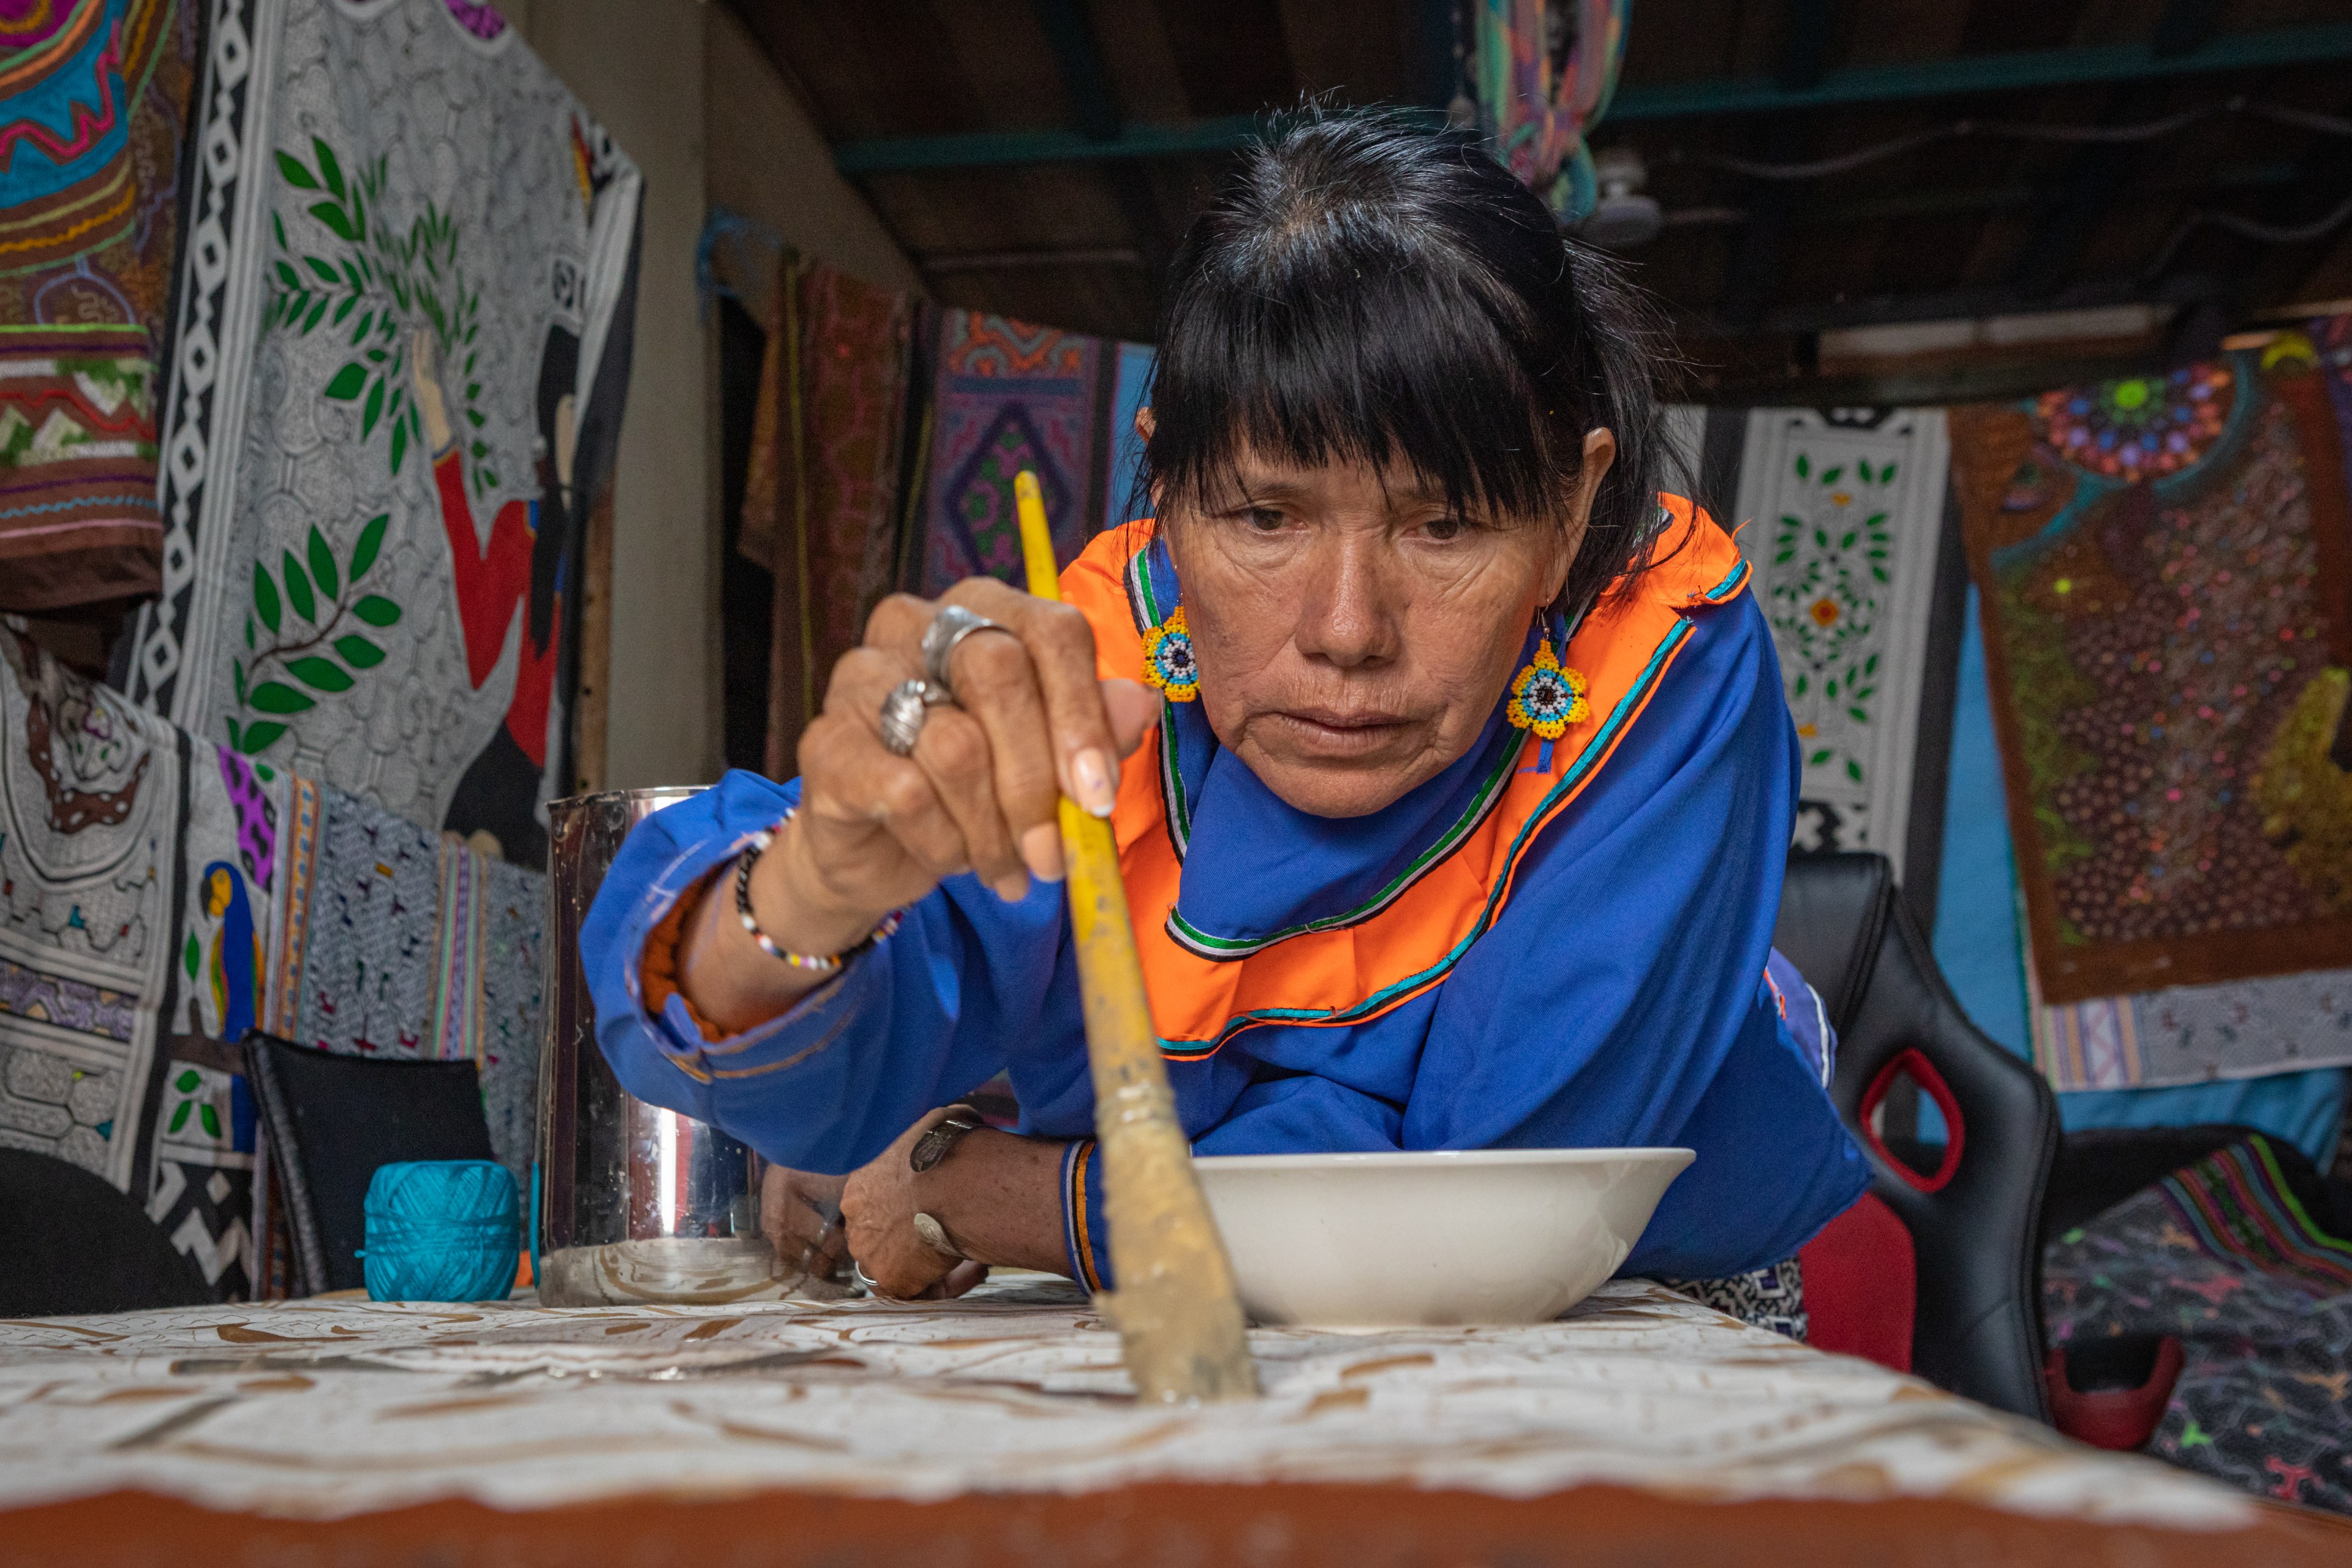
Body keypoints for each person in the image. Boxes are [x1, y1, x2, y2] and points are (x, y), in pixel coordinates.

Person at [583, 115, 1869, 1305]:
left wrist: (972, 1184)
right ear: (1172, 481)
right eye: (1264, 514)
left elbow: (1484, 1208)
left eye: (1447, 522)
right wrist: (812, 892)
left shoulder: (1667, 651)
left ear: (1571, 513)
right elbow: (845, 1053)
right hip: (1198, 1299)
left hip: (1615, 1305)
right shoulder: (1105, 668)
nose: (1347, 628)